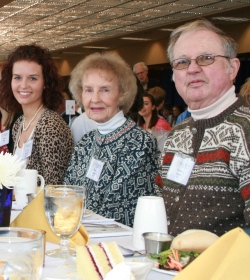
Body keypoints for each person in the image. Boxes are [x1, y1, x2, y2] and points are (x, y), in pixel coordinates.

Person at [156, 19, 250, 237]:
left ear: (232, 68)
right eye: (182, 62)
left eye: (206, 58)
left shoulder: (245, 131)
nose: (193, 69)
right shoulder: (177, 134)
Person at [64, 52, 160, 227]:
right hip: (80, 239)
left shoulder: (140, 143)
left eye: (105, 90)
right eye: (88, 90)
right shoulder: (86, 143)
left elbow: (117, 211)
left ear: (122, 94)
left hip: (118, 247)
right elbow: (67, 198)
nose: (95, 99)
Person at [0, 44, 74, 185]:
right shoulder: (19, 123)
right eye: (17, 78)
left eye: (33, 78)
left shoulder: (51, 125)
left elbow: (53, 187)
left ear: (45, 83)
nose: (23, 85)